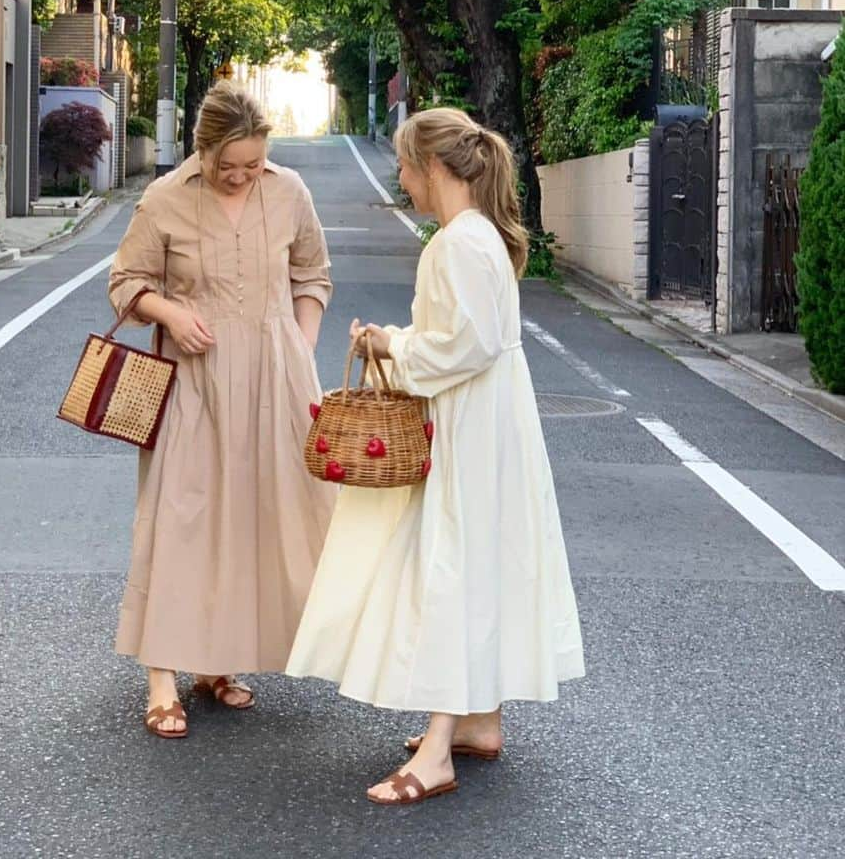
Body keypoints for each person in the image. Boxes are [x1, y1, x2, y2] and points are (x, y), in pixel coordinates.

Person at [286, 107, 584, 804]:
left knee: (450, 569)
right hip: (489, 421)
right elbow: (465, 338)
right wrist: (401, 339)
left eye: (405, 166)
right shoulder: (475, 238)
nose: (402, 178)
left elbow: (461, 347)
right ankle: (478, 721)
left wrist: (393, 345)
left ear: (435, 168)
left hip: (469, 427)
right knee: (478, 562)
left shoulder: (455, 243)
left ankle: (441, 750)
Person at [107, 82, 335, 738]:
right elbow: (125, 281)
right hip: (193, 381)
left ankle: (218, 661)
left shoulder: (290, 192)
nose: (240, 177)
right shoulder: (165, 199)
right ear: (200, 150)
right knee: (180, 517)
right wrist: (171, 312)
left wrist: (298, 342)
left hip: (275, 379)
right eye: (226, 166)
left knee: (251, 520)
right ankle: (161, 677)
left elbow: (312, 275)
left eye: (253, 166)